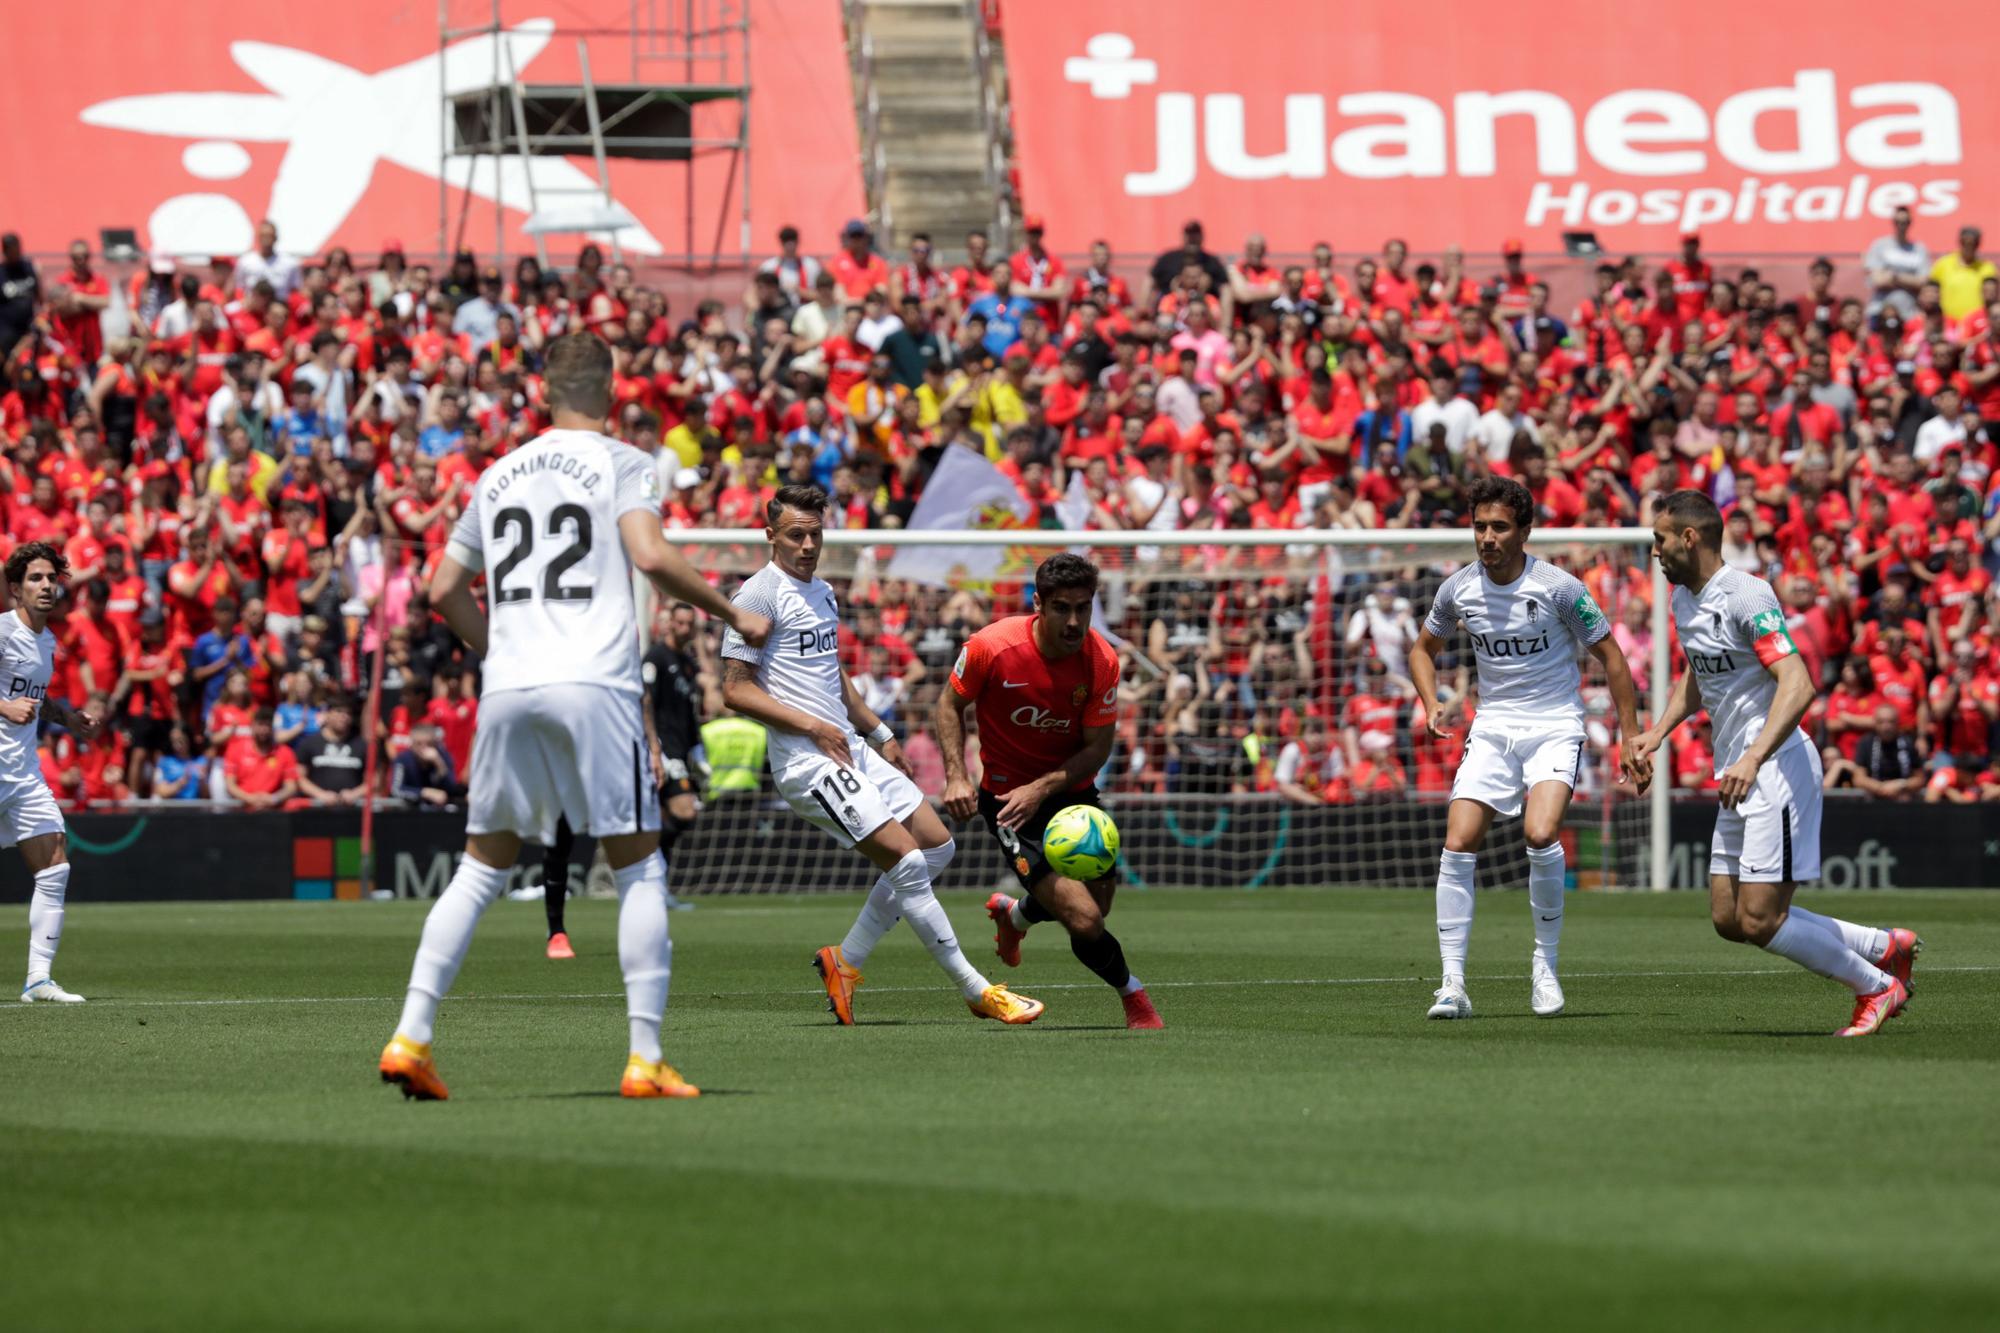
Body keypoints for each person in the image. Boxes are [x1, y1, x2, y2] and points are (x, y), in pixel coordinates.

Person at [379, 332, 773, 1102]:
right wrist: (734, 611)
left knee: (479, 867)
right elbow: (650, 555)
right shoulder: (622, 461)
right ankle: (645, 1056)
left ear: (541, 394)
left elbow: (441, 589)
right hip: (594, 681)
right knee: (639, 867)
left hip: (509, 685)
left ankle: (410, 1036)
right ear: (615, 392)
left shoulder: (495, 474)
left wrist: (507, 647)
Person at [721, 485, 1042, 1028]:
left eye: (815, 534)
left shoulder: (823, 592)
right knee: (908, 862)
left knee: (938, 848)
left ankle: (845, 962)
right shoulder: (757, 596)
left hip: (847, 745)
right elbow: (735, 689)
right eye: (795, 534)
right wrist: (814, 726)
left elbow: (832, 675)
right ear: (770, 535)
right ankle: (977, 990)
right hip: (806, 760)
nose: (806, 545)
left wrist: (878, 731)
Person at [1629, 491, 1920, 1037]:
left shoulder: (1747, 594)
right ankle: (1883, 946)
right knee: (1728, 918)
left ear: (1689, 538)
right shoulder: (1684, 600)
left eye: (1661, 539)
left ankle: (1877, 986)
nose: (1655, 551)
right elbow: (1701, 672)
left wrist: (1754, 756)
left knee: (1761, 919)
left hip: (1776, 768)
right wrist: (1659, 731)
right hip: (1738, 774)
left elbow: (1799, 682)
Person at [1407, 478, 1644, 1021]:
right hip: (1492, 726)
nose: (1487, 538)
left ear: (1524, 532)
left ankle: (1545, 966)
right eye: (1480, 527)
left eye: (1499, 528)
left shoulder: (1560, 588)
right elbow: (1423, 650)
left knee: (1540, 833)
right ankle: (1452, 984)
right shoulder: (1458, 589)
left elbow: (1612, 657)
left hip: (1554, 724)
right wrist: (1431, 701)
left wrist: (1631, 736)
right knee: (1458, 840)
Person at [936, 554, 1162, 1030]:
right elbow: (949, 703)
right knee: (1084, 920)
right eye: (1062, 608)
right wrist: (957, 775)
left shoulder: (1102, 661)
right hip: (1008, 805)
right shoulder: (990, 647)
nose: (1075, 621)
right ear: (1038, 604)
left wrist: (1042, 789)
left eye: (1084, 608)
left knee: (1095, 907)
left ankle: (1014, 918)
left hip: (1073, 797)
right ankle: (1135, 997)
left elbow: (1098, 747)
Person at [4, 543, 104, 1002]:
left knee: (54, 863)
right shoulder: (2, 632)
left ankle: (38, 980)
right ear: (14, 589)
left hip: (22, 774)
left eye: (51, 579)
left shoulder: (47, 642)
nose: (46, 586)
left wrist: (70, 720)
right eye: (35, 579)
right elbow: (14, 701)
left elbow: (37, 699)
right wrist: (4, 705)